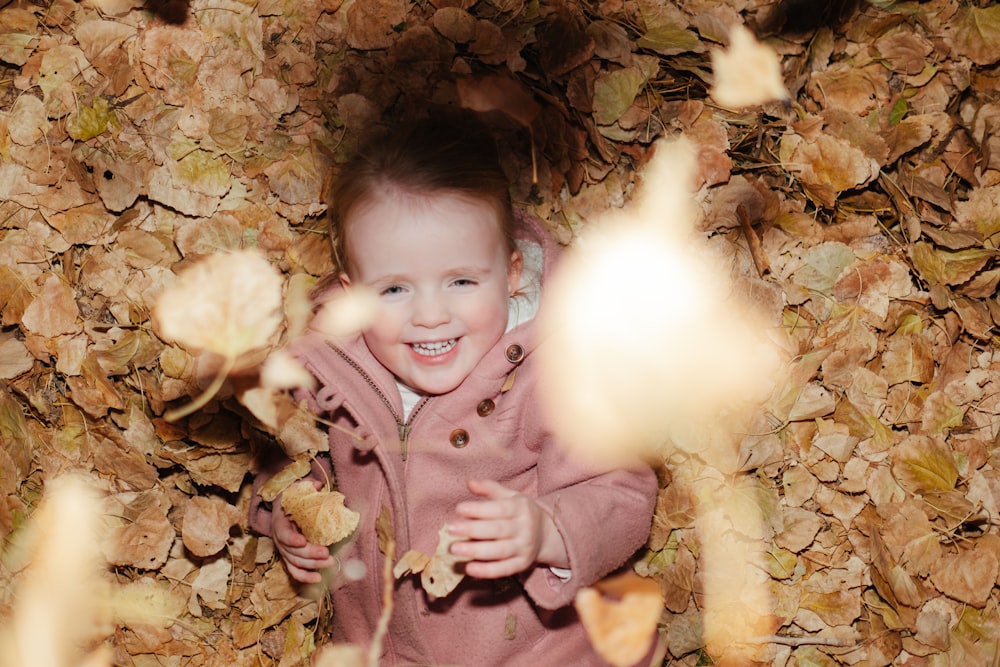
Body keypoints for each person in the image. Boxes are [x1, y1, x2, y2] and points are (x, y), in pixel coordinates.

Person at [248, 110, 658, 666]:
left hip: (543, 647)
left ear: (512, 274)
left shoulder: (555, 373)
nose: (432, 316)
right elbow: (298, 456)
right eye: (394, 290)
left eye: (462, 282)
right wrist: (289, 514)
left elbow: (623, 490)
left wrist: (549, 531)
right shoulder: (330, 366)